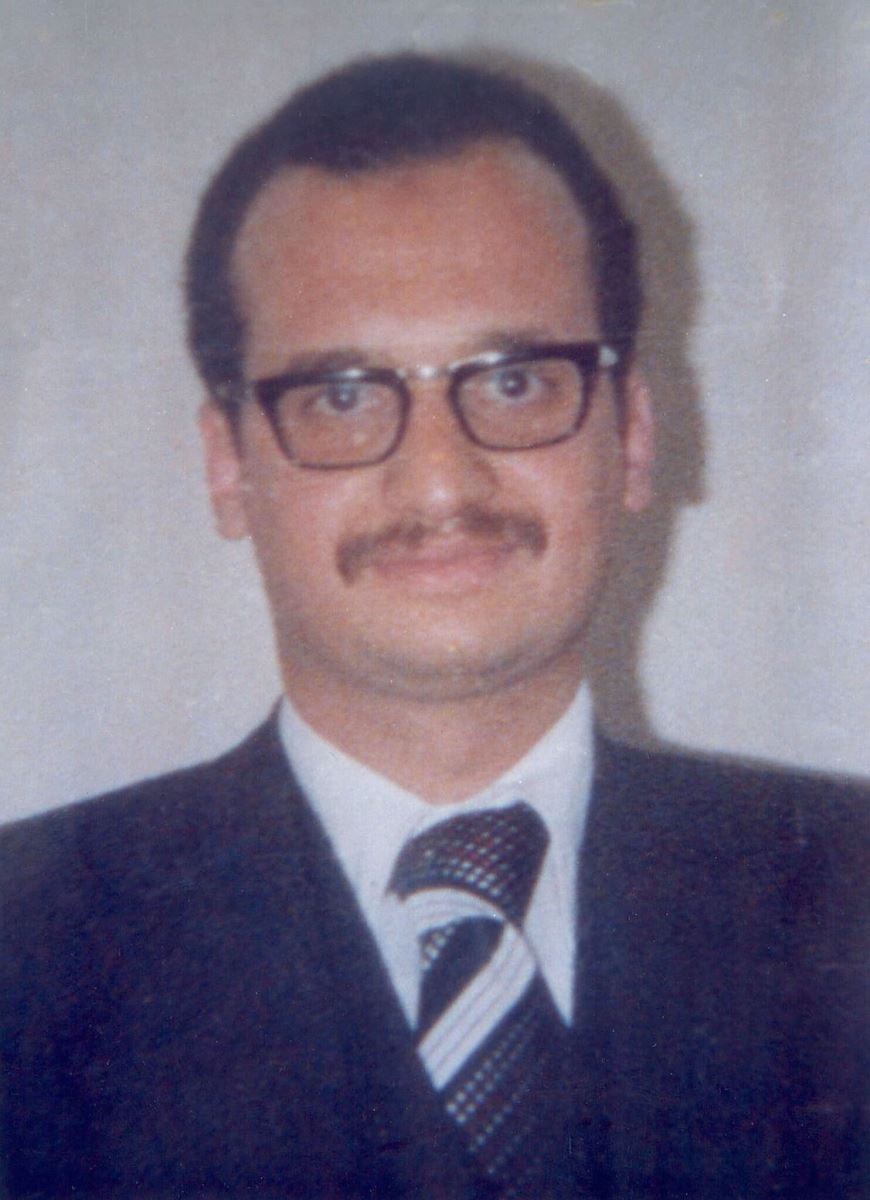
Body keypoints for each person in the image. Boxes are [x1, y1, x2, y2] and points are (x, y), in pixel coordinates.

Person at [0, 53, 865, 1200]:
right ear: (229, 466)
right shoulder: (25, 953)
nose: (441, 481)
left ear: (632, 434)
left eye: (513, 382)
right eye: (343, 396)